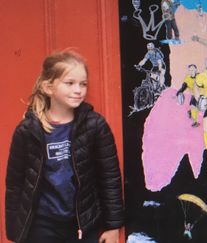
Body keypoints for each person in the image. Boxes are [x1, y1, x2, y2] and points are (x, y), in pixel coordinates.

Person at [5, 50, 124, 243]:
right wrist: (15, 232)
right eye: (70, 83)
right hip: (42, 226)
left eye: (83, 84)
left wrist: (113, 226)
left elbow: (109, 178)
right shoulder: (28, 130)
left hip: (83, 223)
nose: (78, 90)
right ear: (48, 87)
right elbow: (15, 184)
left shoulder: (95, 126)